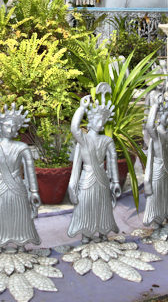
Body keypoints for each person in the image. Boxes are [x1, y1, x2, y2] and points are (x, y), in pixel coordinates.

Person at [0, 102, 41, 252]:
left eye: (13, 127)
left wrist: (34, 191)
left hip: (17, 187)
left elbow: (30, 170)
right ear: (0, 127)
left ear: (16, 131)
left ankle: (21, 243)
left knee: (19, 215)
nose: (10, 129)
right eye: (7, 125)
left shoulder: (22, 147)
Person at [68, 84, 121, 244]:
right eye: (97, 119)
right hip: (87, 179)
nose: (100, 123)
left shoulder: (107, 141)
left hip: (102, 180)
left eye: (103, 120)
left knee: (103, 206)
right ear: (90, 119)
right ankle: (87, 233)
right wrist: (81, 109)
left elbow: (112, 162)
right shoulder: (83, 140)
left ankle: (103, 231)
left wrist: (116, 182)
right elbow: (74, 129)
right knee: (86, 206)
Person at [143, 84, 168, 228]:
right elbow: (149, 125)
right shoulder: (156, 133)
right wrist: (155, 107)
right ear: (160, 116)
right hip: (158, 168)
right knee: (157, 192)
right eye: (165, 115)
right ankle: (155, 217)